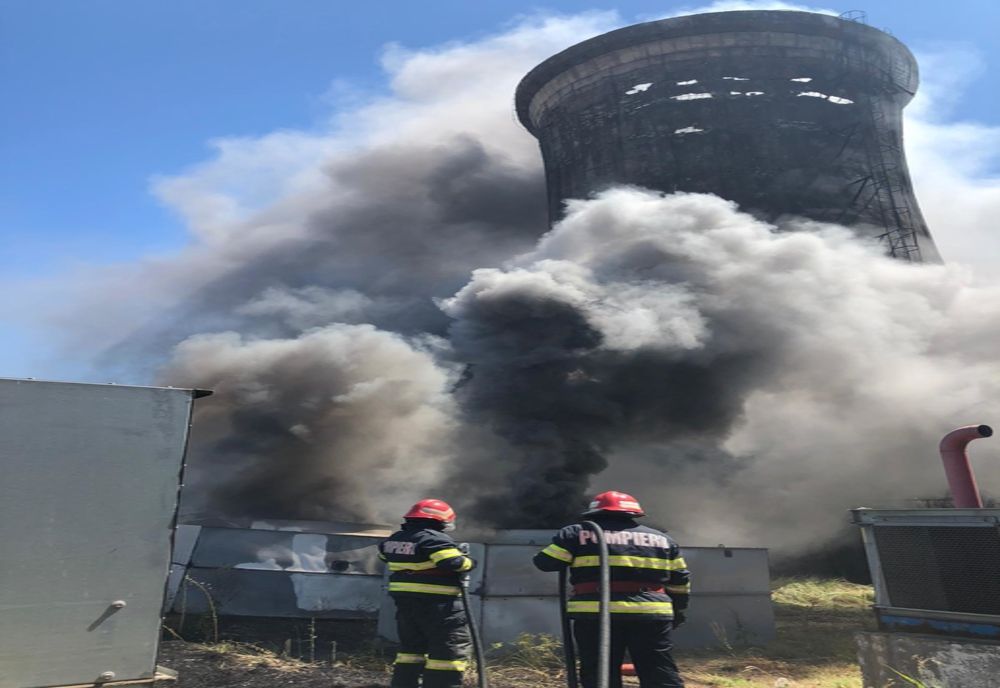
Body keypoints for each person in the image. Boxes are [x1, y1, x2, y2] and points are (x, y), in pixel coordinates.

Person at [533, 490, 690, 688]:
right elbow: (680, 581)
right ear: (634, 513)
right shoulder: (663, 539)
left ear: (594, 512)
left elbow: (544, 563)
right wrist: (678, 610)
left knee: (599, 670)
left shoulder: (576, 533)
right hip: (651, 614)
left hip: (595, 615)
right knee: (658, 668)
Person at [378, 499, 476, 688]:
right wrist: (469, 562)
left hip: (406, 604)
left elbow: (383, 556)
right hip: (439, 604)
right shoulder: (433, 538)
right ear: (440, 520)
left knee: (411, 651)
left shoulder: (394, 538)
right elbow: (453, 563)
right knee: (448, 651)